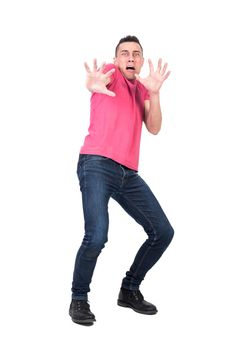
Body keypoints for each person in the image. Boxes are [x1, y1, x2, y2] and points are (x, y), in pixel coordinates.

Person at [69, 35, 174, 326]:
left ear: (141, 61)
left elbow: (154, 128)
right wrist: (92, 84)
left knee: (163, 232)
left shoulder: (142, 88)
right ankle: (79, 298)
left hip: (128, 173)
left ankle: (129, 290)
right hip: (96, 164)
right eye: (125, 53)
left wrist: (155, 93)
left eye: (136, 54)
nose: (130, 58)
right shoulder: (110, 74)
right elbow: (93, 83)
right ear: (116, 60)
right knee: (97, 235)